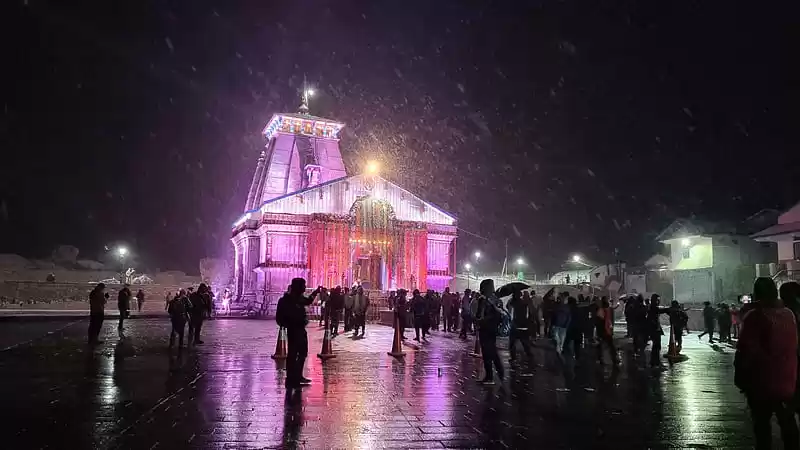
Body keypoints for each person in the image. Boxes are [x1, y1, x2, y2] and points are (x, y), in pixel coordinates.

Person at [735, 277, 798, 450]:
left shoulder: (754, 316)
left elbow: (746, 350)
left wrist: (741, 376)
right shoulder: (789, 314)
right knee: (787, 421)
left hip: (761, 381)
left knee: (762, 425)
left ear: (756, 293)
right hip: (787, 379)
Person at [276, 278, 320, 388]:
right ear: (298, 287)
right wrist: (290, 323)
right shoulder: (287, 300)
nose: (305, 288)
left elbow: (308, 301)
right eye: (303, 286)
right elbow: (280, 318)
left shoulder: (298, 298)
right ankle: (291, 378)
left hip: (300, 330)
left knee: (302, 353)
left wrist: (315, 292)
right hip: (294, 330)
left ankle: (297, 376)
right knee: (293, 354)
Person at [475, 279, 504, 384]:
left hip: (486, 329)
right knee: (491, 351)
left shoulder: (485, 300)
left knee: (488, 353)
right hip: (491, 329)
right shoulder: (496, 300)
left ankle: (491, 376)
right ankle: (497, 373)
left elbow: (480, 315)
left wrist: (481, 320)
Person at [507, 289, 534, 364]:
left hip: (516, 325)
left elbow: (508, 307)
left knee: (512, 343)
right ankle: (529, 356)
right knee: (525, 343)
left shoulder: (514, 302)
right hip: (523, 325)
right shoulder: (524, 302)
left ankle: (513, 358)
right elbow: (531, 312)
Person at [646, 294, 670, 368]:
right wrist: (668, 309)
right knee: (656, 346)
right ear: (654, 300)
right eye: (657, 300)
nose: (659, 301)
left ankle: (654, 362)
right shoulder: (653, 307)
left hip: (655, 329)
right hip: (654, 329)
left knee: (656, 346)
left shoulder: (653, 307)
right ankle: (655, 362)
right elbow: (660, 310)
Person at [595, 297, 620, 365]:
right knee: (610, 345)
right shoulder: (607, 310)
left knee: (601, 345)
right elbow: (607, 321)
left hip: (602, 331)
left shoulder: (601, 310)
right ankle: (614, 359)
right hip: (607, 331)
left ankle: (600, 358)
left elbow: (599, 322)